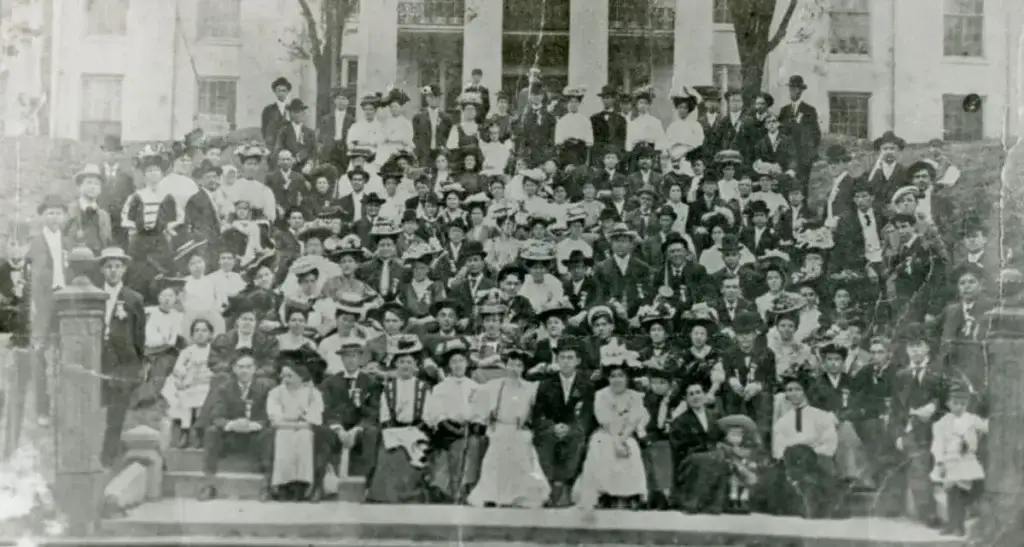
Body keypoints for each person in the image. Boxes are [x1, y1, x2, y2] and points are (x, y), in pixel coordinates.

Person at [468, 348, 550, 508]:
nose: (514, 369)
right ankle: (493, 495)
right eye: (511, 365)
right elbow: (479, 405)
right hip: (499, 428)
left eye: (519, 365)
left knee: (523, 454)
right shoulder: (493, 386)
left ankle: (521, 495)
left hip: (520, 430)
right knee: (495, 458)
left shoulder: (530, 388)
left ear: (523, 368)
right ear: (506, 366)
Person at [573, 347, 649, 510]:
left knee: (632, 449)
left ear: (627, 378)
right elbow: (606, 421)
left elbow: (632, 422)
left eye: (621, 376)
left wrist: (622, 442)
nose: (617, 380)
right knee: (601, 446)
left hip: (626, 435)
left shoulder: (634, 396)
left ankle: (625, 496)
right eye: (613, 376)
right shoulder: (601, 395)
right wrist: (616, 443)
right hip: (606, 433)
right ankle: (603, 494)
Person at [364, 336, 433, 503]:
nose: (405, 366)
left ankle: (410, 496)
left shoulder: (423, 388)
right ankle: (386, 496)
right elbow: (385, 415)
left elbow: (429, 415)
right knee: (391, 455)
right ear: (396, 365)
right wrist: (393, 430)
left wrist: (417, 429)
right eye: (402, 362)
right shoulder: (389, 388)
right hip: (394, 431)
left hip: (416, 431)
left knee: (413, 457)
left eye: (409, 363)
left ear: (416, 367)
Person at [197, 351, 273, 500]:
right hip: (231, 437)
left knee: (270, 434)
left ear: (255, 369)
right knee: (212, 432)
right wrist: (231, 424)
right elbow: (216, 416)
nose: (244, 370)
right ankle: (208, 484)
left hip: (255, 437)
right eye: (240, 367)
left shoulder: (265, 389)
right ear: (234, 369)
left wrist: (254, 425)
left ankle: (267, 485)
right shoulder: (224, 389)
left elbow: (268, 416)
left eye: (248, 367)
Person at [98, 247, 147, 467]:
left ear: (124, 269)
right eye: (109, 266)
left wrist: (137, 363)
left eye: (117, 266)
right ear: (102, 269)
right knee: (97, 406)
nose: (113, 271)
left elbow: (139, 333)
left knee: (117, 411)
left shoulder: (133, 298)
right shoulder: (95, 295)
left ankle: (110, 455)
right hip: (98, 359)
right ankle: (93, 450)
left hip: (123, 361)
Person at [266, 350, 337, 501]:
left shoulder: (313, 394)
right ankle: (281, 483)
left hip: (306, 431)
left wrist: (292, 421)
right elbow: (275, 418)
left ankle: (306, 484)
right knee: (283, 436)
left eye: (290, 376)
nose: (285, 379)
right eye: (283, 376)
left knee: (305, 436)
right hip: (283, 430)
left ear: (301, 376)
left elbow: (314, 419)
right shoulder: (275, 393)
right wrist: (297, 420)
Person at [423, 338, 485, 503]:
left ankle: (467, 487)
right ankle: (453, 489)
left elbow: (480, 411)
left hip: (469, 429)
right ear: (448, 365)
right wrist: (448, 425)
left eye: (461, 361)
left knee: (474, 444)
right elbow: (435, 413)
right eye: (454, 361)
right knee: (456, 446)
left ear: (467, 363)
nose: (458, 365)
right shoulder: (440, 388)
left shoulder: (475, 387)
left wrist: (473, 424)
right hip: (447, 430)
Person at [930, 382, 987, 537]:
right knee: (951, 494)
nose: (959, 407)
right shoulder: (941, 424)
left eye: (963, 404)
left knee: (964, 493)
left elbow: (986, 426)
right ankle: (952, 524)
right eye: (955, 403)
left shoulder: (972, 419)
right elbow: (938, 444)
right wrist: (940, 462)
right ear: (949, 404)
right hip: (949, 461)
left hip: (966, 461)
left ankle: (959, 525)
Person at [777, 75, 821, 194]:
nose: (793, 91)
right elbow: (779, 133)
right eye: (791, 88)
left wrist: (809, 156)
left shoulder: (809, 110)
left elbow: (816, 135)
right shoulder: (784, 111)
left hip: (803, 158)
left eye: (796, 88)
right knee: (785, 186)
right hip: (787, 157)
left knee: (801, 188)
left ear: (801, 90)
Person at [318, 87, 355, 172]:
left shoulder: (352, 120)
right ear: (335, 101)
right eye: (338, 98)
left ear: (348, 102)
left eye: (344, 99)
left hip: (343, 152)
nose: (341, 101)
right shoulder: (326, 119)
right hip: (329, 152)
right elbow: (320, 138)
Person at [274, 99, 317, 172]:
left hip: (306, 168)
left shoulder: (310, 132)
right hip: (288, 167)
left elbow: (314, 152)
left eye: (299, 112)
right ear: (290, 114)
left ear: (303, 113)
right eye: (294, 112)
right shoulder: (284, 131)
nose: (297, 115)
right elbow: (278, 149)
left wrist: (309, 164)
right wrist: (288, 160)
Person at [262, 77, 292, 149]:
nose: (281, 93)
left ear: (287, 92)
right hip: (272, 146)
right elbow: (264, 130)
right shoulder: (268, 110)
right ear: (275, 91)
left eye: (284, 91)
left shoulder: (291, 109)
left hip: (288, 146)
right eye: (279, 90)